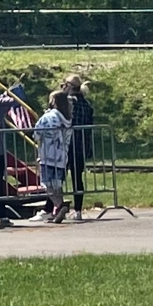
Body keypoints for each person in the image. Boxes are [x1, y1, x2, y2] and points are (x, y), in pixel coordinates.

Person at [34, 90, 72, 223]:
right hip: (62, 156)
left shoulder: (49, 117)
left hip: (48, 155)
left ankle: (59, 205)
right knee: (57, 184)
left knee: (48, 185)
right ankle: (59, 210)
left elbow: (37, 133)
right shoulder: (67, 118)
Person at [64, 75, 96, 219]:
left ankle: (52, 208)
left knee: (58, 177)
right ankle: (78, 210)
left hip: (68, 145)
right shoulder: (86, 105)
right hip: (82, 145)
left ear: (70, 86)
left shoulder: (70, 102)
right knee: (77, 178)